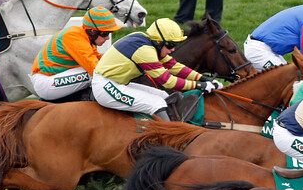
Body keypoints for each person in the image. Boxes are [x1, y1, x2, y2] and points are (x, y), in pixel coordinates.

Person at [90, 18, 222, 121]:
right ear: (159, 41)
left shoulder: (149, 42)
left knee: (164, 96)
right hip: (105, 86)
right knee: (157, 103)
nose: (172, 50)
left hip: (116, 82)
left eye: (175, 45)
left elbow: (174, 66)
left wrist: (202, 78)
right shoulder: (145, 51)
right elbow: (168, 82)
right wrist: (200, 85)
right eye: (170, 45)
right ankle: (171, 140)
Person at [30, 7, 122, 102]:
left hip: (54, 79)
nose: (107, 38)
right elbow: (96, 68)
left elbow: (101, 60)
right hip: (47, 83)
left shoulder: (85, 38)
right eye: (105, 33)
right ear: (93, 31)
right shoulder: (74, 37)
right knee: (96, 73)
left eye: (110, 33)